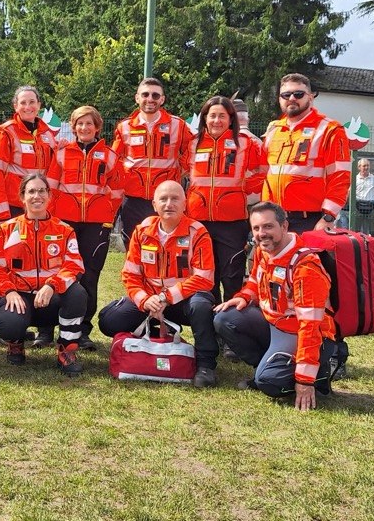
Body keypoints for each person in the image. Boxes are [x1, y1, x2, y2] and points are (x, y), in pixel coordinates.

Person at [213, 201, 338, 411]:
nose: (262, 233)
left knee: (269, 382)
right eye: (256, 228)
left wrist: (304, 380)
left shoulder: (306, 267)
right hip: (273, 324)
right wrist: (245, 296)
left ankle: (317, 374)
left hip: (302, 333)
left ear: (285, 226)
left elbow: (310, 326)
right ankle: (267, 365)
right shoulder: (264, 250)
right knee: (225, 318)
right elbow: (255, 280)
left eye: (268, 226)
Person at [97, 180, 219, 388]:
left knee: (201, 306)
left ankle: (206, 365)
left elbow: (204, 278)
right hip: (151, 300)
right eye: (163, 199)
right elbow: (130, 274)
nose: (169, 204)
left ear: (184, 204)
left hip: (184, 302)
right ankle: (157, 334)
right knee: (109, 320)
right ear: (154, 205)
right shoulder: (142, 230)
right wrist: (145, 300)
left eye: (175, 199)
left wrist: (166, 297)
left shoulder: (198, 232)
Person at [0, 173, 88, 376]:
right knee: (9, 326)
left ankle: (66, 350)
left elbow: (74, 265)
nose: (37, 196)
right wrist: (9, 291)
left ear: (49, 195)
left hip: (51, 298)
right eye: (31, 191)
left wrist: (52, 285)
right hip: (19, 298)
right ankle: (15, 344)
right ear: (22, 197)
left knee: (78, 292)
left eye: (41, 191)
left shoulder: (64, 230)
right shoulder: (7, 229)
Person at [46, 105, 121, 351]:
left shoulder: (109, 155)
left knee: (89, 275)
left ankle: (82, 330)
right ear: (73, 126)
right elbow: (51, 188)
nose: (84, 128)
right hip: (64, 223)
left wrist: (106, 215)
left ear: (97, 127)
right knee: (55, 270)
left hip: (96, 225)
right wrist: (53, 217)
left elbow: (118, 191)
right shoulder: (61, 154)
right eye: (79, 123)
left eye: (89, 124)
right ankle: (46, 328)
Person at [185, 95, 265, 300]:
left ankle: (229, 326)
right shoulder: (192, 144)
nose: (216, 121)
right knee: (204, 276)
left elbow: (263, 171)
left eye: (222, 116)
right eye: (212, 116)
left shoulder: (245, 143)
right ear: (204, 118)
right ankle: (206, 325)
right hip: (198, 220)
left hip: (232, 222)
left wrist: (241, 191)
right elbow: (182, 170)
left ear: (231, 119)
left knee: (232, 277)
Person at [261, 73, 351, 233]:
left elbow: (340, 177)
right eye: (286, 95)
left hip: (310, 221)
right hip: (272, 219)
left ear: (310, 97)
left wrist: (328, 217)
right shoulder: (274, 130)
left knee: (307, 259)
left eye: (298, 94)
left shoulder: (330, 129)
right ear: (280, 99)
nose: (292, 98)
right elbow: (262, 173)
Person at [111, 77, 193, 244]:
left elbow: (193, 151)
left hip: (165, 198)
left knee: (165, 244)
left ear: (162, 99)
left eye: (155, 96)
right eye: (145, 94)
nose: (150, 99)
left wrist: (180, 171)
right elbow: (114, 158)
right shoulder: (124, 127)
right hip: (132, 198)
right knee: (133, 244)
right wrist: (125, 178)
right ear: (137, 98)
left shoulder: (178, 125)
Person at [0, 85, 57, 222]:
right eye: (23, 103)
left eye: (32, 102)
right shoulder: (5, 132)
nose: (27, 107)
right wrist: (2, 213)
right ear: (16, 107)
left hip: (39, 207)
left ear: (39, 105)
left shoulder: (48, 134)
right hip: (13, 207)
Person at [351, 157, 374, 236]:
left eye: (368, 165)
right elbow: (350, 192)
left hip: (372, 206)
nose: (366, 167)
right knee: (356, 230)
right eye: (364, 166)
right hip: (358, 206)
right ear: (359, 167)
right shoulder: (354, 179)